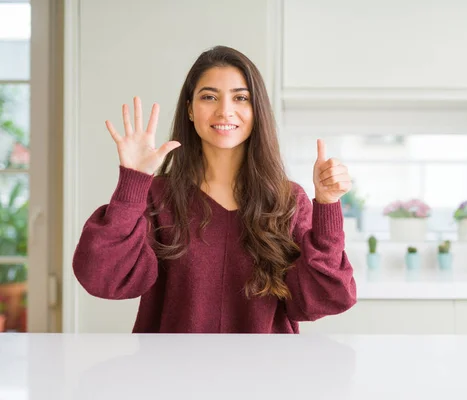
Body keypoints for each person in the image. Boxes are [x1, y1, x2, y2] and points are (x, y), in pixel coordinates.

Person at [72, 45, 357, 334]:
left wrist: (327, 203)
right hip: (169, 375)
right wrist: (132, 181)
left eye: (241, 98)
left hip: (267, 375)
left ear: (257, 110)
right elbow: (102, 278)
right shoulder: (157, 196)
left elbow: (321, 300)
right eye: (209, 97)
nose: (224, 111)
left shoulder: (288, 200)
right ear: (190, 110)